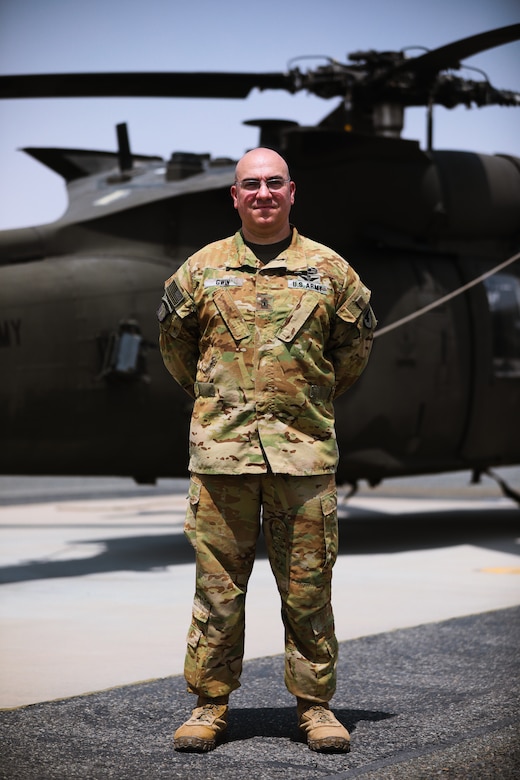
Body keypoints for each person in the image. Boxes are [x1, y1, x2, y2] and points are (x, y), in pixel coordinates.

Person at [157, 147, 375, 753]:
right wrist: (224, 408)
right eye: (250, 184)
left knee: (308, 589)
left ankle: (315, 707)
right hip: (222, 457)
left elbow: (351, 355)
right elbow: (177, 354)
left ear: (291, 191)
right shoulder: (200, 271)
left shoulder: (331, 272)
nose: (262, 194)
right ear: (234, 196)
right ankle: (209, 703)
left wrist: (298, 406)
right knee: (218, 589)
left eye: (273, 183)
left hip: (302, 459)